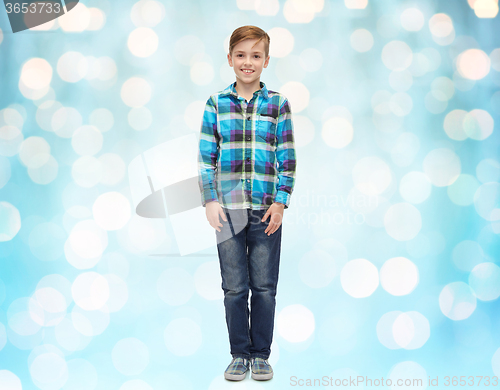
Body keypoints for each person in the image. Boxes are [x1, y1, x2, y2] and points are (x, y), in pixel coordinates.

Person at [197, 25, 297, 381]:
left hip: (266, 210)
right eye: (241, 55)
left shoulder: (278, 104)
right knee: (235, 287)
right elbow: (206, 157)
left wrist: (281, 203)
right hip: (228, 212)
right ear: (229, 59)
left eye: (256, 56)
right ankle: (239, 353)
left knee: (265, 287)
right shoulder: (216, 104)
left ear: (266, 61)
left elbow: (287, 157)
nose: (248, 62)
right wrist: (210, 200)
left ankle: (261, 355)